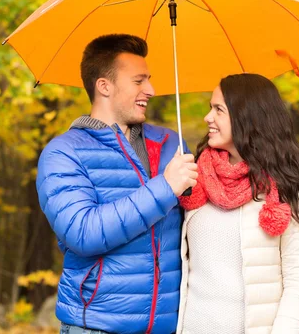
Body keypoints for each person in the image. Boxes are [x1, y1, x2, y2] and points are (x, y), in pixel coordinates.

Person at [36, 34, 197, 334]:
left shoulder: (170, 145)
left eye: (148, 79)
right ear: (104, 86)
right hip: (97, 325)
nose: (150, 90)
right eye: (138, 81)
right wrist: (165, 188)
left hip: (170, 325)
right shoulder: (63, 153)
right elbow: (83, 233)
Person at [177, 73, 299, 334]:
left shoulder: (288, 189)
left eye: (218, 110)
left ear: (246, 117)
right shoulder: (196, 177)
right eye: (210, 108)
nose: (207, 118)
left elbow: (298, 283)